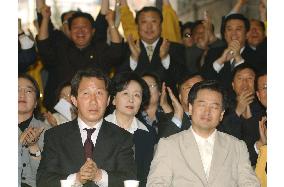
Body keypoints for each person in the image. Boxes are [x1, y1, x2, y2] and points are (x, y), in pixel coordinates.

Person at [147, 80, 260, 186]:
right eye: (202, 105)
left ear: (221, 114)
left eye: (214, 107)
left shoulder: (237, 146)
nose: (207, 111)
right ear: (190, 108)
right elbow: (156, 184)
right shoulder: (169, 145)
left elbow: (249, 183)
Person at [37, 68, 136, 187]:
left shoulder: (123, 138)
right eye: (86, 94)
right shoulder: (54, 136)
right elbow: (43, 180)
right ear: (74, 100)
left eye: (99, 93)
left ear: (108, 100)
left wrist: (99, 175)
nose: (93, 101)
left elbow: (129, 180)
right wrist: (76, 179)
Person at [37, 5, 123, 111]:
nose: (80, 31)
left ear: (93, 31)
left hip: (96, 110)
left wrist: (111, 23)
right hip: (58, 113)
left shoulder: (100, 49)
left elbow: (117, 52)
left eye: (84, 27)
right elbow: (43, 46)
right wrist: (45, 18)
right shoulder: (61, 48)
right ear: (69, 31)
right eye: (76, 27)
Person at [118, 6, 186, 95]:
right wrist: (134, 59)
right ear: (137, 26)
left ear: (161, 25)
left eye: (154, 21)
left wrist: (165, 58)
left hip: (167, 105)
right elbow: (118, 81)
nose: (149, 27)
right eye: (144, 22)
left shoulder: (175, 48)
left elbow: (183, 80)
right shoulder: (127, 48)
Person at [105, 72, 155, 187]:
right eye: (125, 93)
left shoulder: (148, 134)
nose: (131, 100)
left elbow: (148, 176)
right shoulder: (98, 128)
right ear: (113, 99)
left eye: (137, 95)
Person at [218, 64, 265, 166]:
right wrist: (237, 112)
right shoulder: (223, 108)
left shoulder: (264, 106)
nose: (245, 83)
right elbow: (222, 139)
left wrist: (249, 119)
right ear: (233, 85)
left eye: (249, 78)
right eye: (240, 78)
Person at [201, 13, 261, 92]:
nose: (234, 33)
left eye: (238, 29)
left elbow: (257, 84)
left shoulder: (258, 56)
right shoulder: (213, 53)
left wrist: (239, 59)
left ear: (246, 34)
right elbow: (203, 81)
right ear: (225, 34)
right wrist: (220, 61)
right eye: (229, 29)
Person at [18, 74, 50, 187]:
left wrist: (34, 148)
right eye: (17, 90)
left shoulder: (48, 132)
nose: (22, 95)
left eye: (28, 91)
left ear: (36, 102)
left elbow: (46, 177)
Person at [158, 73, 204, 138]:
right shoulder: (169, 121)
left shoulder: (217, 118)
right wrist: (178, 114)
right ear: (180, 96)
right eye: (190, 88)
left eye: (201, 88)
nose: (196, 92)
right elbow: (163, 145)